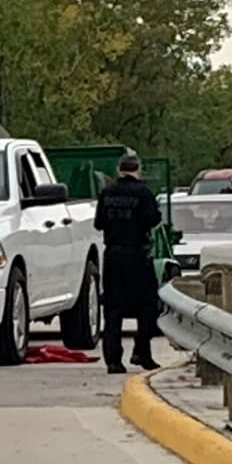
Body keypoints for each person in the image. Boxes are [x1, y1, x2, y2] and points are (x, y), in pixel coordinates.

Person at [94, 153, 162, 374]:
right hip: (137, 255)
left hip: (113, 255)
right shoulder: (143, 193)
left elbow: (99, 224)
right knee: (147, 305)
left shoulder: (107, 193)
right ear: (138, 169)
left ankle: (113, 360)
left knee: (113, 308)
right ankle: (141, 351)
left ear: (118, 170)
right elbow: (153, 219)